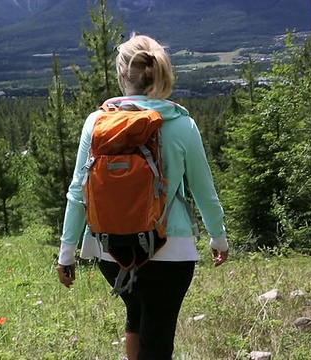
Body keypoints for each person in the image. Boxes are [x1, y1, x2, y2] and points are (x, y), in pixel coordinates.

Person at [55, 33, 229, 360]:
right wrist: (218, 237)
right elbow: (204, 191)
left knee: (135, 311)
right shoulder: (182, 124)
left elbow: (78, 193)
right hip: (170, 248)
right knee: (159, 338)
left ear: (123, 75)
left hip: (111, 248)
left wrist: (67, 252)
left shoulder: (97, 122)